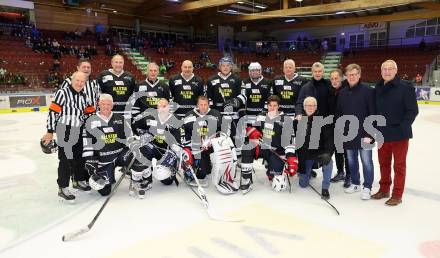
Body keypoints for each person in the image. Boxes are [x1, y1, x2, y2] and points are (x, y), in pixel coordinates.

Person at [41, 71, 95, 202]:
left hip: (79, 130)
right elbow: (53, 112)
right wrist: (50, 131)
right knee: (66, 160)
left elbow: (89, 112)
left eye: (82, 81)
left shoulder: (84, 95)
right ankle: (63, 187)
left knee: (80, 157)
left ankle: (78, 180)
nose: (80, 83)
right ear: (72, 80)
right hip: (65, 129)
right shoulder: (62, 93)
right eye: (77, 80)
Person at [82, 94, 149, 198]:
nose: (106, 106)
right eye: (103, 104)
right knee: (104, 191)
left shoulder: (120, 119)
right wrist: (90, 161)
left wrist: (133, 143)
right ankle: (109, 174)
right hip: (103, 160)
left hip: (120, 155)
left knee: (137, 156)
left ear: (112, 105)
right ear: (99, 104)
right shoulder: (90, 121)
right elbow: (87, 144)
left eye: (108, 104)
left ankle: (135, 181)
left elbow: (130, 136)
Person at [372, 60, 418, 206]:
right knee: (383, 164)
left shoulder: (406, 88)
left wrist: (403, 127)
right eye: (384, 69)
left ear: (396, 70)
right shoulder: (378, 87)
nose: (387, 71)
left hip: (399, 134)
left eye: (390, 69)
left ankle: (397, 194)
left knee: (399, 166)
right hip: (382, 134)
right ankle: (384, 189)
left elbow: (413, 111)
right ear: (381, 71)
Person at [241, 95, 298, 194]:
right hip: (262, 147)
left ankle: (271, 167)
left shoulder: (286, 120)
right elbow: (253, 131)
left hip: (277, 151)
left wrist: (290, 157)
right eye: (270, 105)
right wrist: (251, 131)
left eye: (275, 105)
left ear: (278, 106)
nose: (272, 108)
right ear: (267, 106)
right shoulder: (261, 116)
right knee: (247, 146)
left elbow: (290, 141)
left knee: (273, 176)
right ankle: (247, 179)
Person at [336, 64, 375, 200]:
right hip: (349, 135)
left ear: (359, 75)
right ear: (346, 76)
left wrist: (370, 135)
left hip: (365, 135)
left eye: (354, 74)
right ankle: (355, 183)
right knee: (352, 161)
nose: (352, 77)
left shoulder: (368, 91)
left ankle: (367, 187)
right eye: (349, 75)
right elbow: (339, 114)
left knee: (366, 162)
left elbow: (373, 113)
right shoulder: (343, 92)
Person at [131, 98, 185, 188]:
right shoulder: (149, 116)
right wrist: (141, 134)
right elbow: (135, 124)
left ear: (168, 107)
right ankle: (146, 177)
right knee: (140, 154)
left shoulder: (177, 120)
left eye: (164, 106)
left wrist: (176, 152)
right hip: (152, 146)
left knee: (165, 179)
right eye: (160, 106)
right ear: (157, 107)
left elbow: (180, 142)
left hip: (167, 150)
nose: (162, 109)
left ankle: (166, 170)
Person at [296, 96, 334, 199]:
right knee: (303, 184)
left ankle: (325, 188)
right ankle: (307, 172)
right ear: (304, 107)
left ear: (316, 107)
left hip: (318, 153)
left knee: (329, 162)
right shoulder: (298, 121)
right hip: (305, 156)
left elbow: (330, 140)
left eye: (313, 105)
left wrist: (328, 153)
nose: (310, 107)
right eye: (308, 105)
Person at [182, 96, 222, 187]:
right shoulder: (189, 115)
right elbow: (186, 133)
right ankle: (190, 169)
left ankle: (212, 166)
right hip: (196, 146)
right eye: (201, 105)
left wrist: (212, 141)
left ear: (208, 104)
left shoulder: (216, 114)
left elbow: (221, 131)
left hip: (211, 144)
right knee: (187, 153)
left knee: (208, 169)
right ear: (197, 105)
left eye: (205, 105)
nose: (203, 107)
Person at [206, 57, 242, 145]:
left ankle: (234, 156)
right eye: (223, 65)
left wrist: (235, 101)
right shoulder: (211, 80)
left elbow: (242, 95)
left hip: (233, 115)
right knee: (218, 140)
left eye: (228, 65)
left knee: (233, 139)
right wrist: (212, 113)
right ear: (219, 67)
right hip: (218, 115)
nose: (225, 68)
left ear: (231, 67)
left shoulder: (237, 79)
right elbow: (208, 98)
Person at [329, 69, 350, 187]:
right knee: (338, 152)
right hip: (334, 126)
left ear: (342, 78)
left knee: (347, 153)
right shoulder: (331, 91)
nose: (334, 80)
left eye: (336, 78)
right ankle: (340, 172)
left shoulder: (347, 90)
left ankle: (349, 175)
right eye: (332, 78)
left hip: (346, 126)